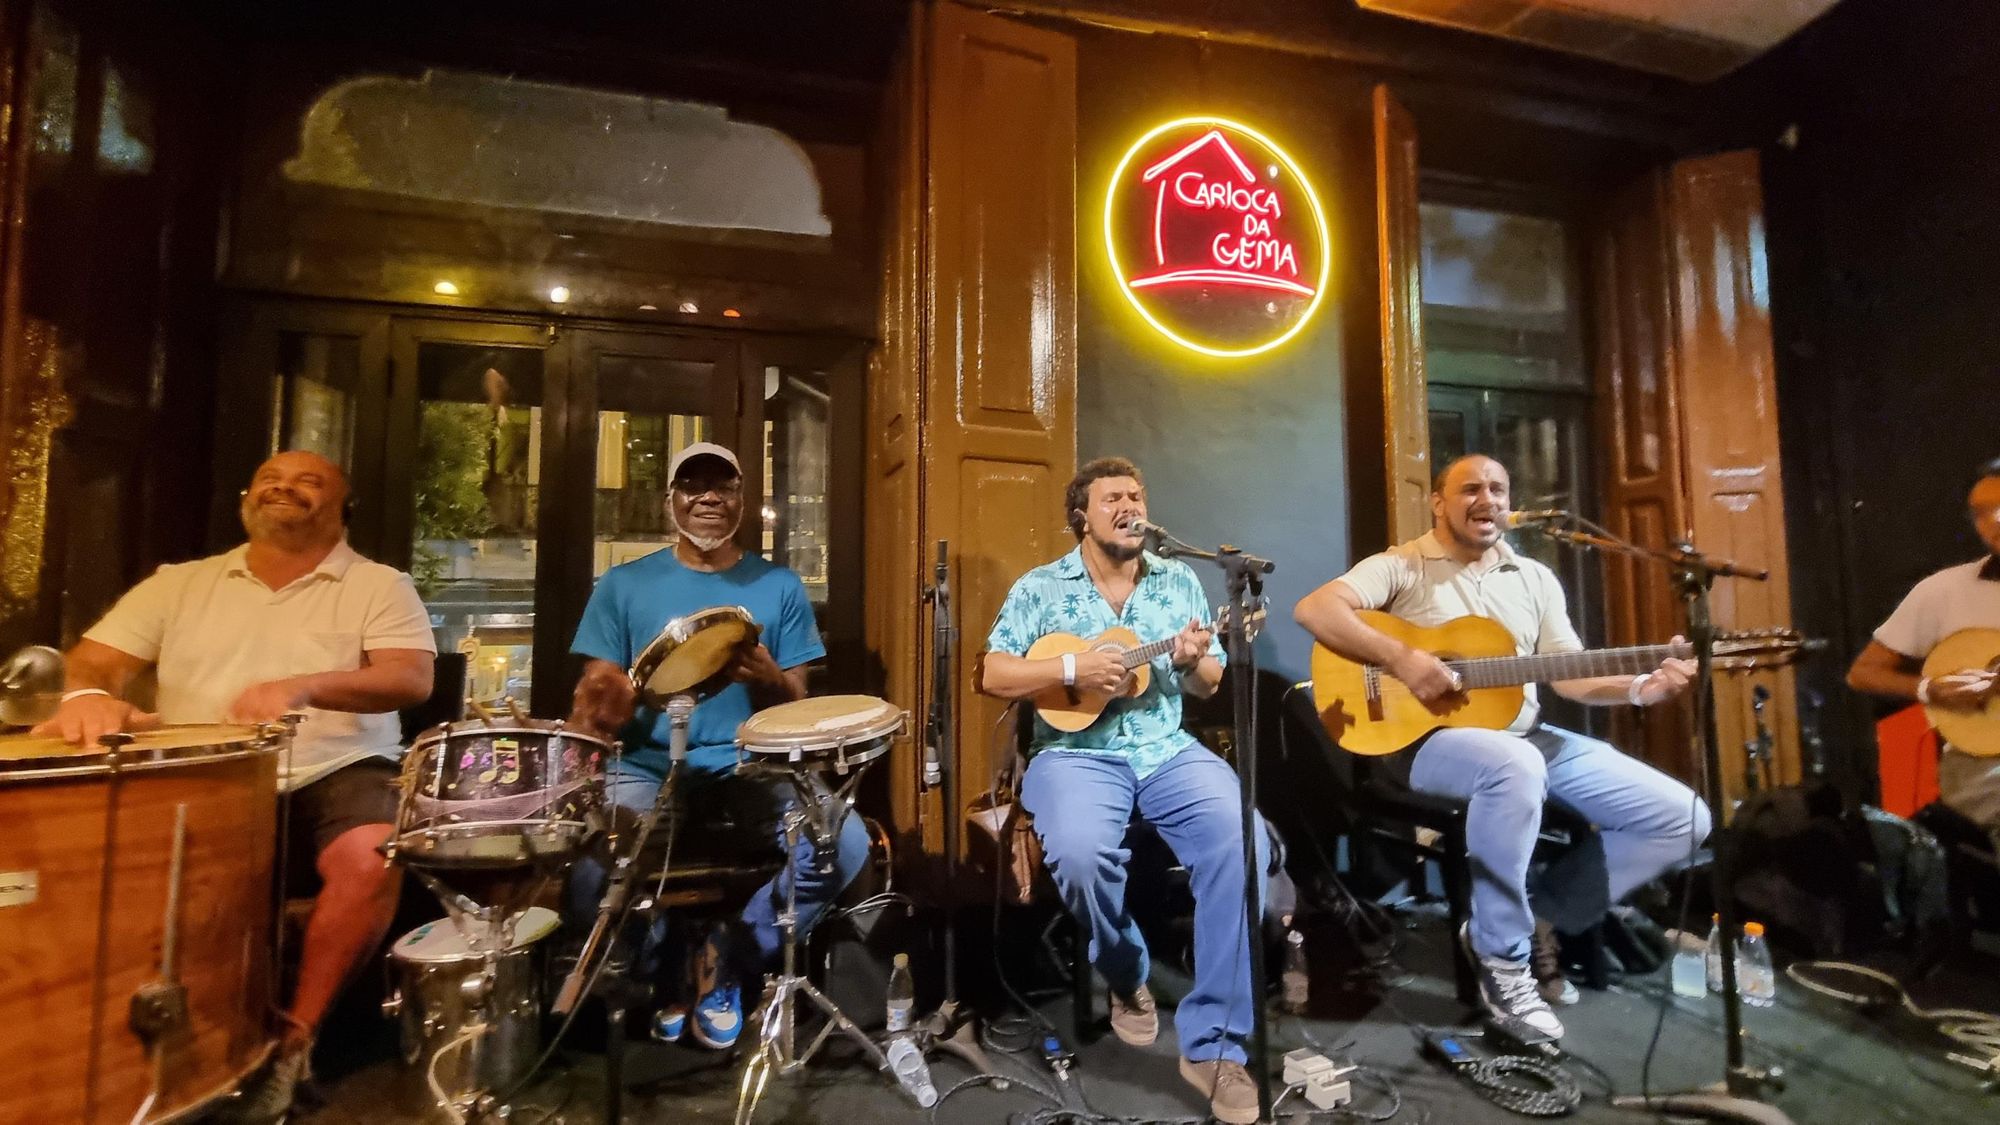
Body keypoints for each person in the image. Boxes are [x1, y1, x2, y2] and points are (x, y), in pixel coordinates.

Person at [34, 451, 436, 1121]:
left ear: (342, 505)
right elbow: (92, 661)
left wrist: (305, 683)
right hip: (201, 770)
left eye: (309, 480)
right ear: (248, 497)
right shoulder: (179, 583)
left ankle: (293, 1041)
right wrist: (87, 694)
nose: (284, 486)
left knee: (372, 853)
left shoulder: (379, 584)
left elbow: (410, 679)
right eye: (271, 478)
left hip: (330, 767)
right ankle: (95, 1052)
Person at [1294, 453, 1709, 1041]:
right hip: (1426, 743)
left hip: (1527, 734)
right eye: (1469, 489)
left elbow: (1570, 674)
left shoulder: (1534, 577)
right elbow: (1314, 609)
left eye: (1497, 488)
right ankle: (1503, 959)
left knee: (1682, 816)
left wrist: (1642, 686)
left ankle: (1539, 915)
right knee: (1513, 767)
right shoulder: (1403, 565)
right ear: (1439, 502)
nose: (1486, 499)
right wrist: (1403, 658)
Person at [978, 456, 1268, 1125]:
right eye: (1113, 497)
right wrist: (1075, 665)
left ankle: (1215, 1046)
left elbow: (1209, 683)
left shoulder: (1180, 581)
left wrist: (1196, 659)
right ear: (1082, 512)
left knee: (1242, 844)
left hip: (1165, 749)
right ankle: (1125, 967)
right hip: (1073, 753)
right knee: (1079, 853)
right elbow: (993, 671)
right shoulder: (1041, 586)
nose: (1129, 505)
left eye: (1136, 494)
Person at [565, 441, 867, 1050]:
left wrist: (769, 678)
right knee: (590, 870)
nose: (708, 497)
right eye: (692, 485)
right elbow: (597, 692)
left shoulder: (778, 585)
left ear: (741, 501)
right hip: (650, 765)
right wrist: (606, 701)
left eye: (723, 487)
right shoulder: (624, 585)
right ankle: (660, 967)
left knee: (844, 844)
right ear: (670, 500)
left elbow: (798, 705)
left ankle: (730, 952)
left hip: (750, 767)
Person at [1847, 457, 2000, 847]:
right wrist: (1930, 689)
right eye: (1981, 513)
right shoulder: (1943, 591)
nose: (1994, 521)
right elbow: (1864, 672)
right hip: (1981, 770)